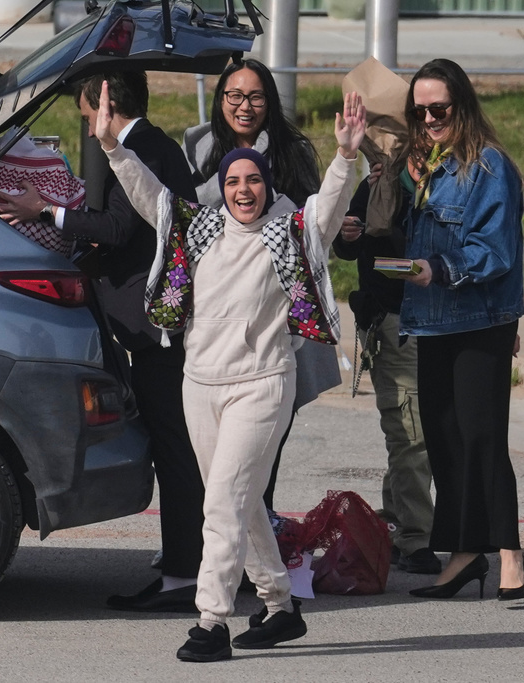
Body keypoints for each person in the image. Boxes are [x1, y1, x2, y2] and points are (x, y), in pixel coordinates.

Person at [95, 80, 365, 662]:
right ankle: (279, 608)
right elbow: (151, 198)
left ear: (268, 189)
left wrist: (345, 156)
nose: (244, 190)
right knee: (236, 502)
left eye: (255, 182)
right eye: (235, 181)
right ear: (224, 188)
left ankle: (211, 621)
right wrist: (115, 149)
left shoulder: (288, 233)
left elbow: (329, 207)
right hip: (201, 386)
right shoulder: (200, 229)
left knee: (220, 504)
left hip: (262, 386)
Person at [0, 72, 204, 613]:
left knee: (175, 450)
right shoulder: (154, 143)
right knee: (176, 447)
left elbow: (116, 230)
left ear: (104, 106)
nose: (86, 125)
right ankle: (188, 567)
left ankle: (184, 576)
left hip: (156, 326)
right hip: (154, 321)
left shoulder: (139, 152)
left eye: (87, 114)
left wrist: (46, 212)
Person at [396, 58, 524, 601]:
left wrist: (442, 269)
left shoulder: (489, 167)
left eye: (439, 109)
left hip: (479, 320)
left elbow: (495, 250)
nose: (429, 118)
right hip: (431, 321)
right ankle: (465, 553)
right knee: (445, 439)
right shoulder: (426, 168)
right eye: (420, 110)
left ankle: (510, 553)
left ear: (462, 107)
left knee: (482, 439)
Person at [183, 58, 342, 512]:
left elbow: (314, 228)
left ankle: (253, 550)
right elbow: (184, 216)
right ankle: (231, 553)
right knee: (216, 462)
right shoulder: (197, 145)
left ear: (269, 102)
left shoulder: (292, 151)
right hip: (215, 328)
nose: (244, 106)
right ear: (220, 101)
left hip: (274, 327)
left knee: (258, 459)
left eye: (255, 97)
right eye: (234, 96)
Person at [332, 170, 439, 575]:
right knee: (410, 432)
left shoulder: (457, 177)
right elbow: (358, 255)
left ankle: (395, 520)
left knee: (425, 430)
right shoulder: (378, 184)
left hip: (448, 320)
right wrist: (349, 233)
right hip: (395, 321)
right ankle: (416, 537)